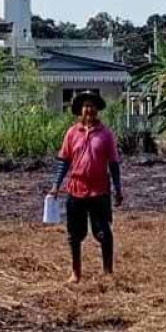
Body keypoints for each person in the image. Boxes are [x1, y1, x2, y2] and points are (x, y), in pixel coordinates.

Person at [49, 90, 123, 283]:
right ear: (80, 110)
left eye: (92, 106)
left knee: (103, 232)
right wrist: (56, 185)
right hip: (76, 189)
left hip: (99, 190)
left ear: (97, 109)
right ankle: (76, 273)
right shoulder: (72, 133)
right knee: (75, 234)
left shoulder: (106, 135)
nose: (89, 109)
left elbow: (113, 164)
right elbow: (64, 161)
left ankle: (108, 272)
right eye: (85, 106)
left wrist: (118, 188)